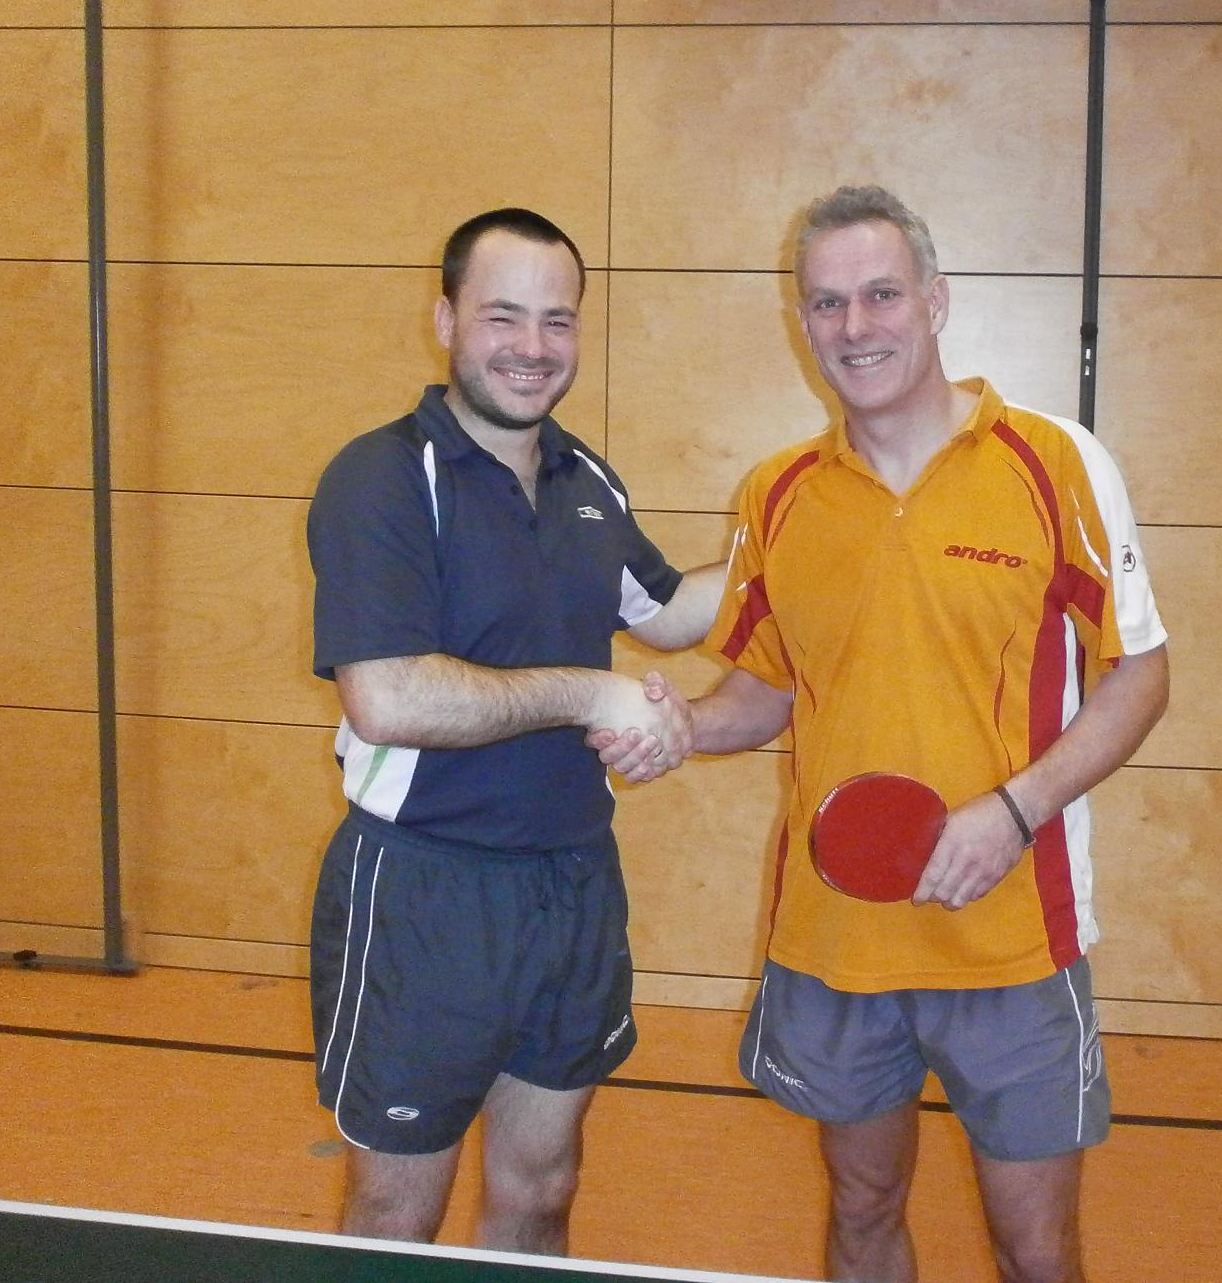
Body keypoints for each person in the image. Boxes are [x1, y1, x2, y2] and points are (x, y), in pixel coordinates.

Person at [651, 185, 1170, 1283]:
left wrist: (1014, 811)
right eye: (826, 303)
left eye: (881, 295)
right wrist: (673, 728)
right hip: (837, 939)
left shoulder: (1054, 463)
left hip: (1012, 935)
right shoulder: (777, 495)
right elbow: (763, 692)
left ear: (935, 302)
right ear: (802, 321)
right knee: (862, 1209)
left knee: (1036, 1249)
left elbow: (1140, 674)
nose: (855, 326)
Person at [305, 207, 718, 1252]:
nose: (532, 346)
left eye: (556, 320)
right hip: (425, 892)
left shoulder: (589, 479)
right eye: (503, 316)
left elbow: (670, 612)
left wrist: (801, 531)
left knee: (542, 1187)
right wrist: (590, 696)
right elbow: (388, 697)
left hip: (572, 886)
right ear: (447, 320)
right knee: (396, 1210)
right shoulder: (382, 477)